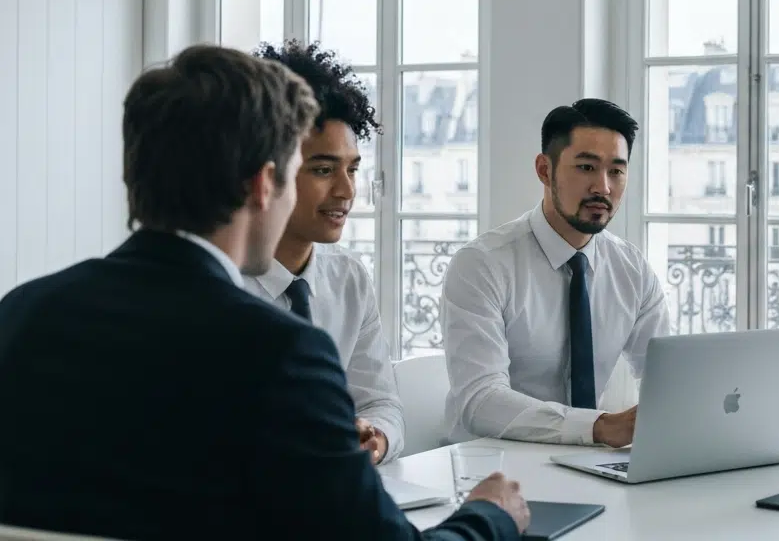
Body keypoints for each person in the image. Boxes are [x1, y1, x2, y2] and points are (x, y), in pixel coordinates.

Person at [0, 45, 528, 540]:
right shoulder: (277, 353)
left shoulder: (20, 313)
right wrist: (490, 516)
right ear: (263, 184)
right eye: (306, 171)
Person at [442, 99, 669, 447]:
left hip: (589, 464)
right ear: (544, 170)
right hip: (493, 468)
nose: (603, 188)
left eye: (616, 171)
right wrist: (599, 427)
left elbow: (666, 376)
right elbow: (481, 401)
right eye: (586, 168)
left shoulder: (631, 269)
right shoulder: (482, 264)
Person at [241, 40, 404, 464]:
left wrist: (374, 442)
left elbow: (383, 404)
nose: (347, 191)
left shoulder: (348, 278)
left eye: (352, 169)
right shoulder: (221, 285)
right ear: (268, 172)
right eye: (323, 170)